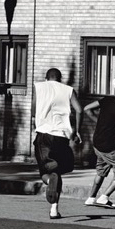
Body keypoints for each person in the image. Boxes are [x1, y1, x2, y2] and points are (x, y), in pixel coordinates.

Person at [32, 68, 82, 219]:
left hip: (44, 134)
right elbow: (79, 110)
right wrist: (76, 131)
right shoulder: (68, 90)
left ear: (46, 78)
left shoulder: (39, 87)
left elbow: (33, 109)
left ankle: (48, 182)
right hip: (61, 136)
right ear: (60, 79)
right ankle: (54, 210)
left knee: (44, 171)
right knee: (57, 171)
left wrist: (37, 121)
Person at [83, 83, 115, 209]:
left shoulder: (107, 100)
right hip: (109, 146)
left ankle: (91, 198)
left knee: (101, 171)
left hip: (97, 143)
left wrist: (99, 122)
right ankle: (104, 197)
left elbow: (87, 108)